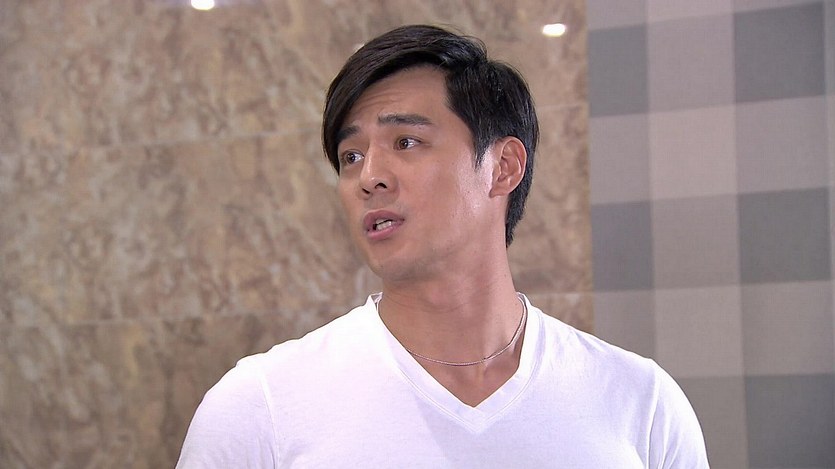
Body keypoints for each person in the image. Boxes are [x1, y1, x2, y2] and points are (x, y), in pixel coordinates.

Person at [176, 24, 709, 468]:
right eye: (351, 156)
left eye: (406, 142)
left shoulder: (639, 403)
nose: (369, 177)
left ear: (502, 167)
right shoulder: (260, 407)